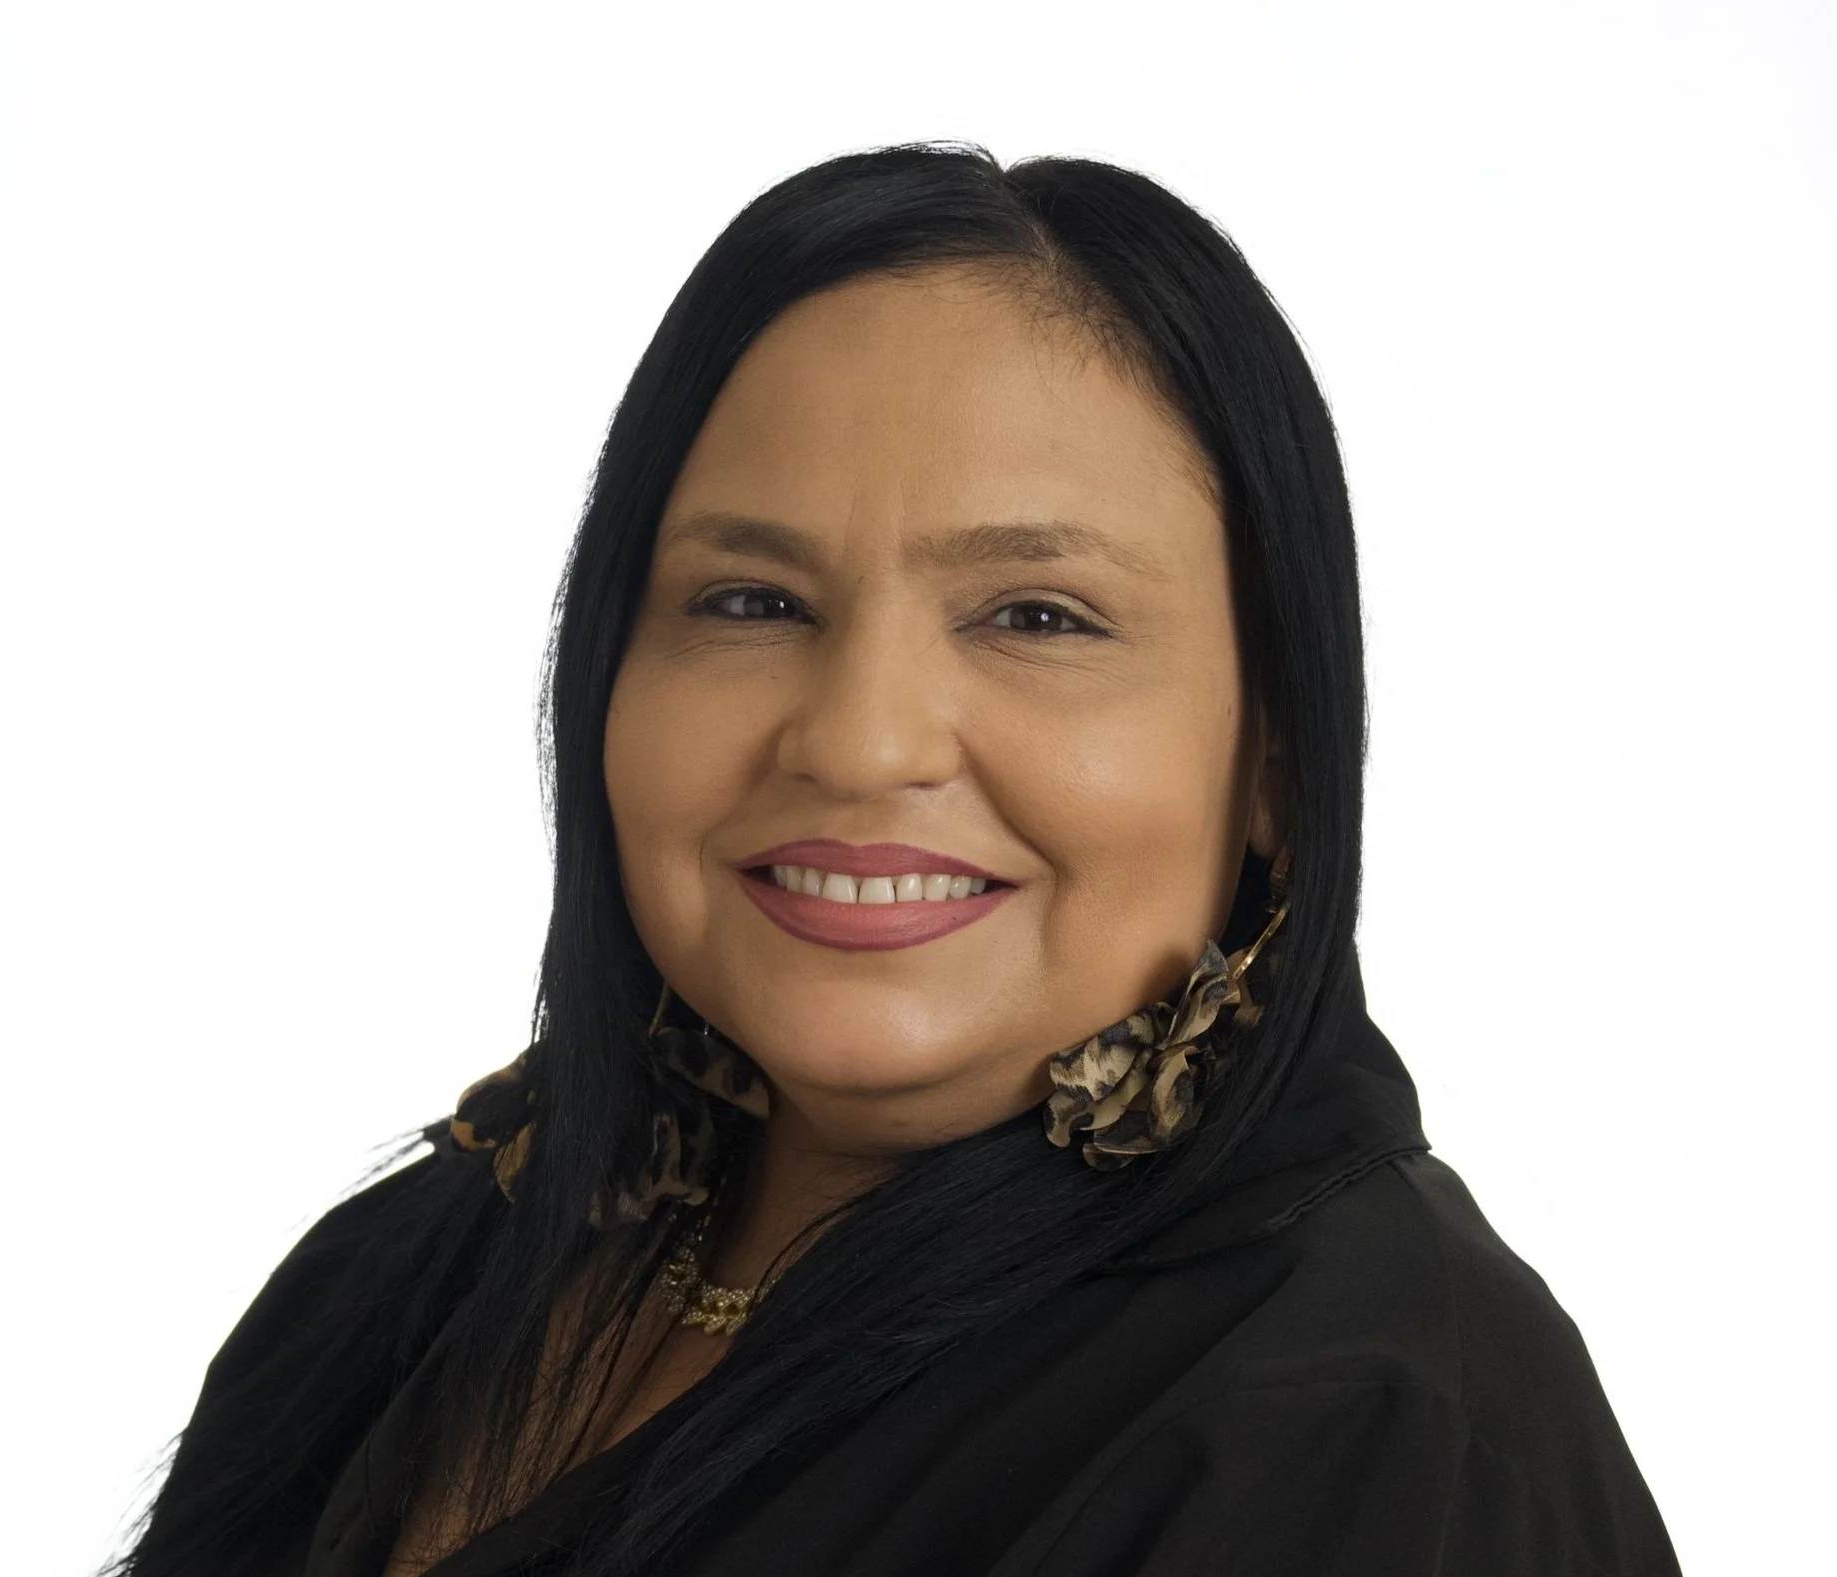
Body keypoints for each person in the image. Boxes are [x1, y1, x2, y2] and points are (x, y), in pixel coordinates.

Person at [108, 141, 1681, 1577]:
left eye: (1034, 618)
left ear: (1275, 755)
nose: (858, 742)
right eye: (749, 603)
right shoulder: (427, 1261)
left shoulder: (1364, 1433)